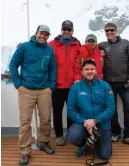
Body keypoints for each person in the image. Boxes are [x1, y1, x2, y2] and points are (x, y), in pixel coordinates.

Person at [9, 25, 57, 165]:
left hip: (44, 90)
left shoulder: (49, 50)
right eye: (41, 33)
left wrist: (51, 86)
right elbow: (13, 64)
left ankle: (44, 143)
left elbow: (53, 68)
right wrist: (18, 84)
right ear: (36, 33)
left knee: (46, 119)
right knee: (25, 122)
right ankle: (25, 151)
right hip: (26, 90)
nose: (43, 36)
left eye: (46, 34)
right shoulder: (24, 47)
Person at [98, 22, 129, 148]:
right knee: (112, 110)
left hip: (124, 82)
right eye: (107, 30)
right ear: (105, 32)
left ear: (116, 31)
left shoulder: (126, 43)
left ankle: (128, 136)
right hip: (108, 83)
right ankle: (115, 132)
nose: (109, 32)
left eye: (111, 30)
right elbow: (88, 52)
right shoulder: (102, 46)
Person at [67, 59, 115, 160]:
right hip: (83, 122)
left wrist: (95, 120)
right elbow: (71, 110)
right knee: (72, 136)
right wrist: (85, 122)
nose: (89, 71)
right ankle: (84, 147)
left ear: (96, 71)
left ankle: (96, 141)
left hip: (102, 123)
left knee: (105, 155)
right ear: (82, 71)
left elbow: (111, 108)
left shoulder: (105, 86)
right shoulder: (75, 87)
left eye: (92, 69)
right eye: (86, 69)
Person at [49, 20, 81, 146]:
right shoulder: (52, 44)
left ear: (72, 31)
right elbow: (41, 51)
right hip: (57, 85)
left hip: (72, 86)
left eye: (69, 29)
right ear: (61, 30)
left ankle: (71, 134)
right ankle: (58, 135)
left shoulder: (77, 45)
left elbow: (80, 64)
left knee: (71, 111)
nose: (66, 31)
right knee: (57, 112)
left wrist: (77, 79)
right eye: (64, 29)